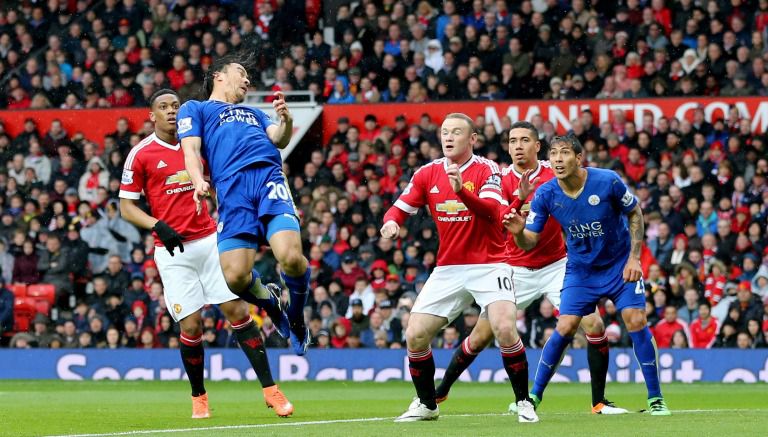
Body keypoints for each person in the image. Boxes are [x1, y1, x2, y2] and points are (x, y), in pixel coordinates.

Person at [119, 89, 293, 419]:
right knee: (192, 324)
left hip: (210, 240)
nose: (172, 112)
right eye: (164, 107)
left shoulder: (199, 144)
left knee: (237, 311)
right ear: (151, 116)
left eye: (176, 106)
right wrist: (158, 225)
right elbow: (127, 208)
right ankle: (199, 396)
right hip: (172, 251)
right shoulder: (140, 154)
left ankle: (271, 390)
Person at [435, 121, 628, 415]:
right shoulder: (496, 179)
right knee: (480, 336)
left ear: (537, 147)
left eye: (525, 140)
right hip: (513, 268)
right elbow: (493, 216)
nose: (518, 146)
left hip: (557, 265)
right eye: (513, 141)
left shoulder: (555, 175)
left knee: (595, 325)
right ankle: (439, 392)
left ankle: (599, 402)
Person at [381, 113, 538, 423]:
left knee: (505, 328)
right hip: (449, 267)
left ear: (473, 139)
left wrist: (461, 191)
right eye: (444, 132)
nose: (448, 137)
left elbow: (493, 212)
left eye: (455, 132)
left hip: (491, 264)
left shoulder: (487, 169)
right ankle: (428, 405)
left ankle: (524, 402)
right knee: (415, 335)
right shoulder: (427, 173)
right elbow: (399, 208)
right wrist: (390, 224)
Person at [503, 134, 671, 415]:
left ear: (578, 158)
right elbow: (529, 241)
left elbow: (634, 212)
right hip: (581, 270)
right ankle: (532, 398)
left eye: (565, 153)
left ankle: (656, 399)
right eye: (554, 154)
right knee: (565, 326)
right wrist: (519, 232)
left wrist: (634, 257)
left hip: (619, 265)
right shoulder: (546, 193)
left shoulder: (607, 181)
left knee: (635, 319)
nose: (558, 159)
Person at [178, 52, 311, 355]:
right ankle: (272, 304)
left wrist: (286, 121)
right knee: (235, 278)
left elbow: (279, 138)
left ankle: (297, 315)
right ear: (219, 76)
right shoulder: (196, 109)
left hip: (268, 179)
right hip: (231, 189)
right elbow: (191, 150)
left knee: (290, 257)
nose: (248, 79)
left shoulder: (255, 113)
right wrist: (198, 180)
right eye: (241, 72)